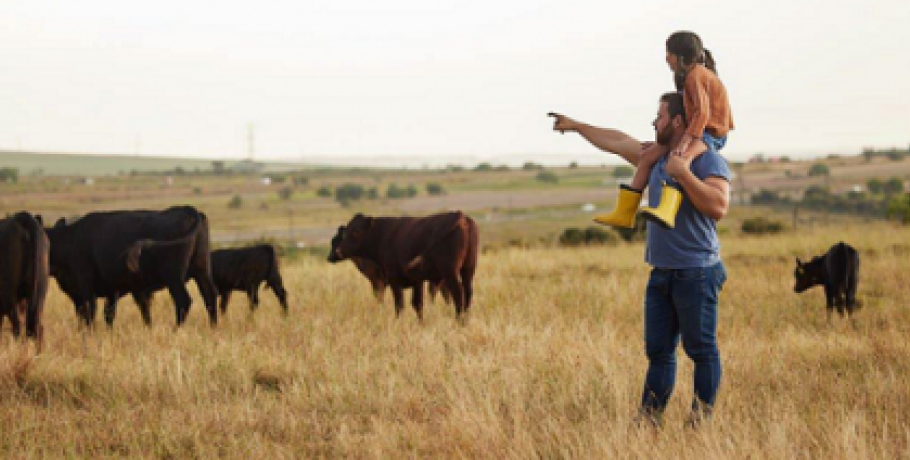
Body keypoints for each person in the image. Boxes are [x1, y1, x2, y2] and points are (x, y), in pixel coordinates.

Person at [549, 92, 730, 426]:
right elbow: (616, 140)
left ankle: (700, 422)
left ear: (677, 121)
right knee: (658, 353)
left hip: (697, 271)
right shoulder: (655, 156)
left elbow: (719, 207)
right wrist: (576, 125)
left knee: (701, 351)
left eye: (659, 116)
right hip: (661, 272)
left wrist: (684, 174)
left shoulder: (706, 160)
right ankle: (649, 421)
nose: (653, 122)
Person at [593, 31, 734, 229]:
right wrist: (665, 142)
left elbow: (702, 115)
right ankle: (625, 213)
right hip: (697, 132)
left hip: (709, 135)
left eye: (669, 53)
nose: (666, 58)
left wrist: (683, 143)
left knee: (678, 162)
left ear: (680, 56)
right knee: (648, 156)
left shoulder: (696, 76)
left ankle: (668, 209)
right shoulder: (690, 76)